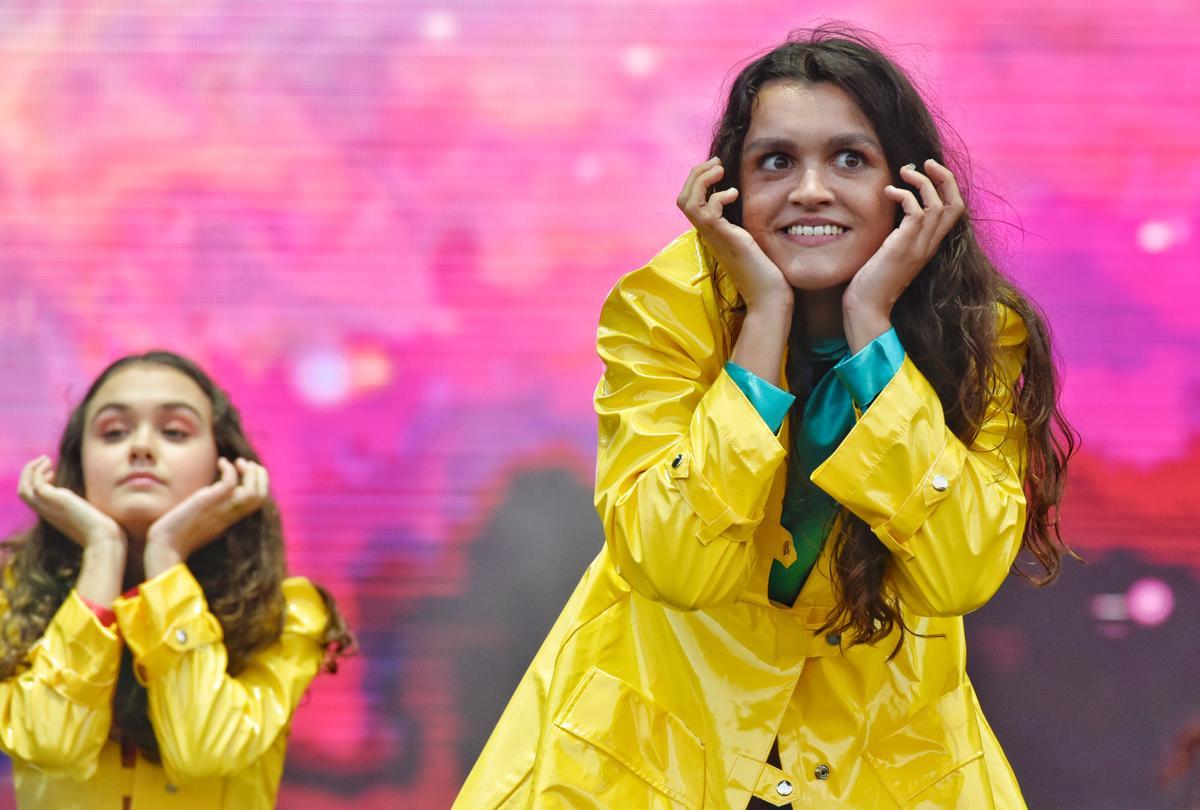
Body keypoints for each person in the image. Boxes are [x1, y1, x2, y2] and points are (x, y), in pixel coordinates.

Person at [454, 25, 1075, 810]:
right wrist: (763, 322)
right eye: (776, 161)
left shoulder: (981, 336)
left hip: (883, 764)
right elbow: (674, 565)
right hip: (646, 757)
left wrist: (872, 333)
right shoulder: (663, 312)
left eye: (850, 158)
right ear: (731, 189)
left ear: (912, 187)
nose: (810, 190)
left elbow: (958, 574)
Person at [1, 351, 354, 809]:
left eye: (174, 432)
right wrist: (103, 552)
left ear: (222, 465)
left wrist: (165, 559)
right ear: (78, 466)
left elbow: (204, 751)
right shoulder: (13, 600)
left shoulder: (288, 614)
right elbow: (55, 745)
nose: (141, 447)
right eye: (114, 432)